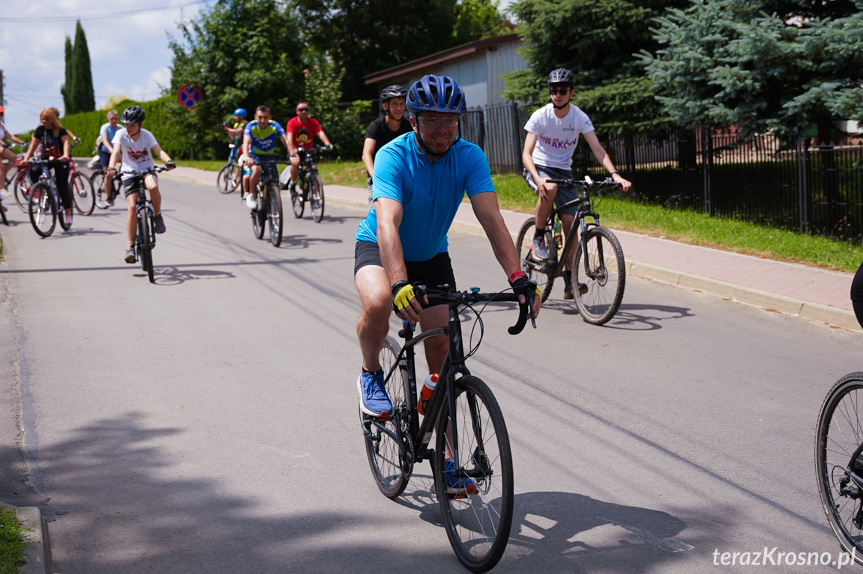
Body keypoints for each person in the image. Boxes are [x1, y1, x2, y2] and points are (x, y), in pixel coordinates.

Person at [353, 75, 541, 494]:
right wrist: (400, 281)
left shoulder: (469, 157)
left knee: (445, 359)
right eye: (432, 120)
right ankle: (370, 375)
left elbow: (492, 219)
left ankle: (449, 462)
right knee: (381, 300)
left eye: (450, 120)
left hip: (433, 258)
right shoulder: (392, 155)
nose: (442, 129)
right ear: (414, 121)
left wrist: (519, 278)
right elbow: (388, 223)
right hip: (381, 247)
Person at [522, 68, 632, 299]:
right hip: (539, 167)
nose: (557, 94)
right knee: (549, 188)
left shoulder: (579, 117)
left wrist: (615, 174)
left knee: (571, 226)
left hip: (564, 170)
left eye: (562, 90)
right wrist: (538, 178)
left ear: (572, 93)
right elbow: (526, 153)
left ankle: (570, 282)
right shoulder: (541, 116)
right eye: (554, 90)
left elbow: (598, 150)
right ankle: (538, 236)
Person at [106, 106, 175, 263]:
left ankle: (157, 216)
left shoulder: (146, 135)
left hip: (147, 169)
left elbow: (159, 151)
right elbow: (115, 152)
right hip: (129, 173)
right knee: (131, 207)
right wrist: (111, 167)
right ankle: (130, 247)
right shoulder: (121, 134)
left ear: (140, 125)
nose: (128, 128)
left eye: (132, 125)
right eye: (126, 124)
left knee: (153, 186)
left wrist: (168, 161)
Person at [20, 108, 74, 226]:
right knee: (34, 171)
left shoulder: (60, 130)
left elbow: (66, 142)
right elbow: (33, 146)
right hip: (46, 158)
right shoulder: (40, 130)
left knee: (62, 185)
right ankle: (43, 190)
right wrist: (26, 158)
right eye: (42, 119)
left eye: (46, 119)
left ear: (52, 119)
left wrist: (65, 155)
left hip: (60, 159)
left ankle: (68, 213)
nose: (43, 121)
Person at [361, 85, 412, 207]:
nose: (399, 108)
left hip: (401, 179)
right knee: (376, 218)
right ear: (385, 106)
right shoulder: (377, 126)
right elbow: (366, 154)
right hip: (379, 179)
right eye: (394, 104)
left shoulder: (408, 127)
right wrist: (375, 176)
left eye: (401, 103)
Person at [241, 105, 290, 209]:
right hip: (255, 156)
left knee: (273, 182)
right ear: (255, 116)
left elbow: (285, 140)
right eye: (260, 117)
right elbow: (245, 143)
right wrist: (246, 157)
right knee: (257, 170)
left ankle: (274, 205)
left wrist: (292, 154)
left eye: (265, 117)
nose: (262, 120)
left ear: (270, 117)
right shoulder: (251, 126)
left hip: (269, 156)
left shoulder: (274, 125)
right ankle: (252, 194)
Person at [285, 102, 332, 193]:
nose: (303, 112)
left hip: (308, 150)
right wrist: (293, 149)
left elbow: (320, 133)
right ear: (296, 112)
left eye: (306, 109)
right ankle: (292, 182)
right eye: (301, 110)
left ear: (309, 111)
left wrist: (327, 143)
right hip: (295, 149)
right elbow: (289, 137)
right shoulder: (292, 122)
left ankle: (315, 194)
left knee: (314, 168)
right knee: (295, 163)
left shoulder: (313, 122)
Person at [97, 110, 122, 205]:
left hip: (115, 151)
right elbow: (105, 140)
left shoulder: (120, 128)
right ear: (108, 119)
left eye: (116, 118)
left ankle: (119, 176)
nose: (114, 120)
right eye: (112, 119)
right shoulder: (105, 127)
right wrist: (111, 150)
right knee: (107, 174)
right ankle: (108, 197)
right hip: (105, 151)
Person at [0, 106, 26, 194]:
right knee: (1, 167)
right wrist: (3, 143)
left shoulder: (1, 125)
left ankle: (3, 175)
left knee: (14, 158)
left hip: (1, 148)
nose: (0, 115)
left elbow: (10, 136)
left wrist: (22, 142)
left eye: (1, 114)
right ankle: (3, 188)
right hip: (0, 146)